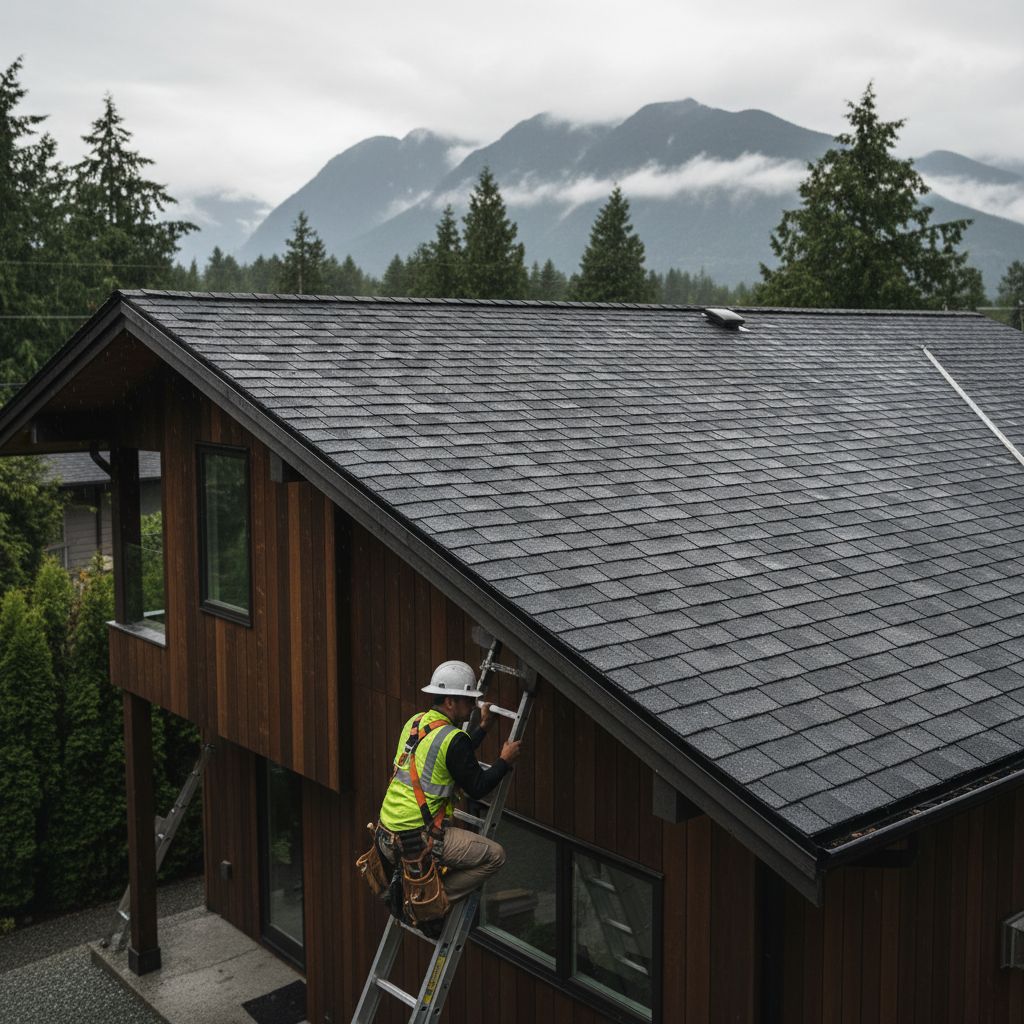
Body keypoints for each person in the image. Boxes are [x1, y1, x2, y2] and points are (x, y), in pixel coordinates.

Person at [377, 659, 523, 905]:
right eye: (468, 700)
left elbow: (452, 756)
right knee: (495, 856)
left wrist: (484, 728)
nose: (473, 706)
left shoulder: (416, 723)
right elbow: (477, 787)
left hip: (387, 832)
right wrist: (504, 761)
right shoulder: (453, 739)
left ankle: (415, 891)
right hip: (418, 838)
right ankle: (429, 898)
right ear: (450, 701)